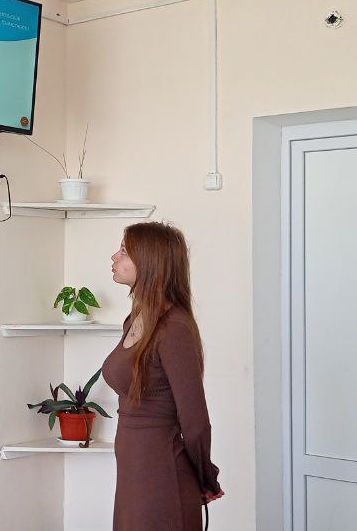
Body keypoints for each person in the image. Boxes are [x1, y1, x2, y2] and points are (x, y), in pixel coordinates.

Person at [102, 222, 222, 531]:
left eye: (124, 251)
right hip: (133, 473)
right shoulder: (136, 319)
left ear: (149, 261)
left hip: (163, 477)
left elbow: (195, 420)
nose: (114, 257)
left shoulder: (174, 328)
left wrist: (206, 478)